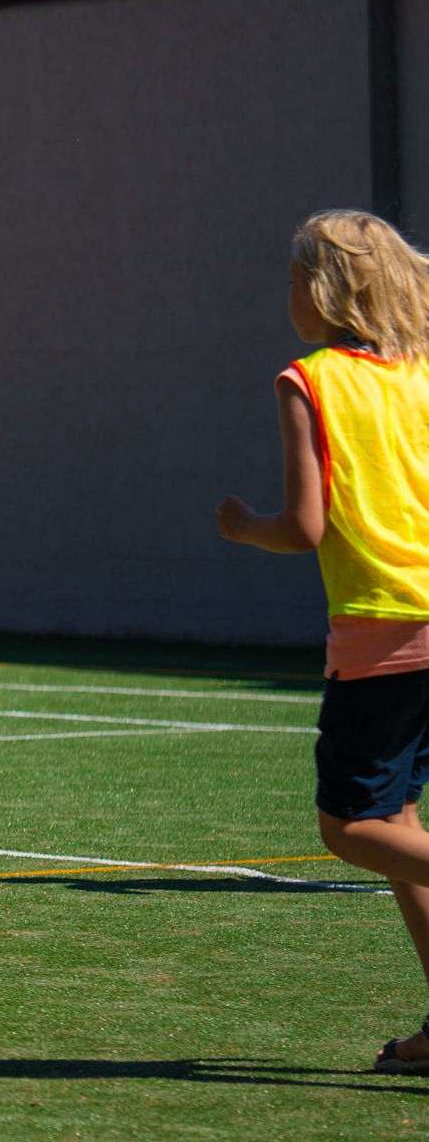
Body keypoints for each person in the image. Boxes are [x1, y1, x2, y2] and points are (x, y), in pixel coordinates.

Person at [217, 210, 429, 1076]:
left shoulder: (306, 382)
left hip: (386, 632)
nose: (287, 294)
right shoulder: (422, 372)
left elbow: (305, 527)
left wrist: (243, 525)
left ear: (326, 290)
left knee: (348, 827)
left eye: (293, 277)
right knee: (398, 825)